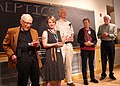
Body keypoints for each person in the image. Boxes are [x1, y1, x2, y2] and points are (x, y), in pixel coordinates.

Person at [2, 14, 42, 86]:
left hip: (33, 58)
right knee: (22, 82)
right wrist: (12, 55)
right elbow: (5, 45)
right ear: (21, 22)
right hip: (21, 59)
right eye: (26, 23)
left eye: (30, 23)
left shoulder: (34, 32)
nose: (28, 25)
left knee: (36, 81)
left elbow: (38, 47)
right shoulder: (12, 31)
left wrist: (37, 45)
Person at [42, 16, 65, 86]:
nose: (51, 24)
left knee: (59, 71)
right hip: (50, 54)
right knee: (49, 72)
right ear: (47, 23)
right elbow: (44, 45)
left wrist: (62, 42)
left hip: (58, 54)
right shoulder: (45, 32)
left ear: (55, 23)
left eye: (53, 22)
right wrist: (55, 44)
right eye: (50, 22)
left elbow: (60, 43)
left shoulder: (58, 32)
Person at [56, 8, 75, 86]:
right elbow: (56, 34)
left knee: (69, 64)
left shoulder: (69, 23)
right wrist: (62, 39)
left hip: (69, 45)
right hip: (61, 46)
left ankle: (69, 81)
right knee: (61, 63)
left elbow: (72, 33)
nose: (64, 13)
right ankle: (59, 81)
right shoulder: (56, 23)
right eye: (62, 12)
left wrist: (71, 38)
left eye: (65, 12)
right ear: (59, 14)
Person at [77, 18, 98, 85]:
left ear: (89, 23)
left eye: (86, 22)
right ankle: (85, 79)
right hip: (84, 50)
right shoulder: (81, 31)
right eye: (84, 22)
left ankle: (92, 78)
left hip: (91, 49)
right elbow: (78, 40)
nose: (85, 24)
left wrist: (92, 43)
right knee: (84, 65)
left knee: (91, 64)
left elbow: (95, 40)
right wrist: (84, 43)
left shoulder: (92, 31)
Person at [97, 15, 117, 80]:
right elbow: (98, 35)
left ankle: (111, 74)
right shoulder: (100, 27)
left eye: (107, 19)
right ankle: (103, 74)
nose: (106, 20)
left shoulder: (114, 26)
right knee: (103, 59)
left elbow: (115, 35)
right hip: (103, 43)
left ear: (110, 19)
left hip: (111, 43)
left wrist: (108, 35)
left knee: (111, 59)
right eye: (105, 19)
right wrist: (102, 36)